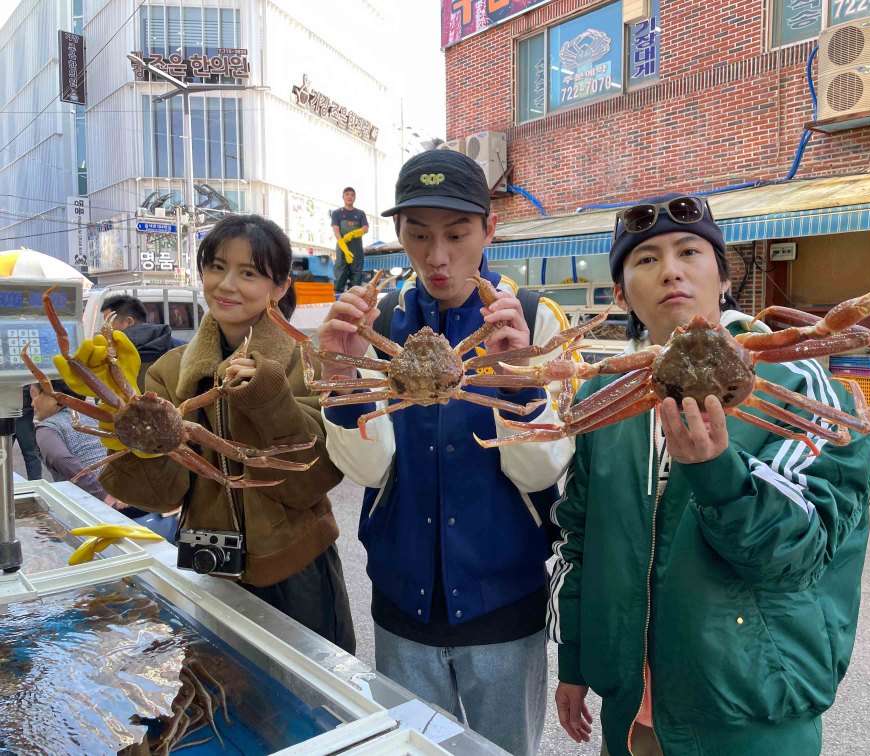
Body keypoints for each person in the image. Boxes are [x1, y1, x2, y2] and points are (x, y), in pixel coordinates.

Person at [550, 193, 870, 756]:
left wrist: (720, 475)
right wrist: (574, 660)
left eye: (689, 252)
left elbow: (802, 555)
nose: (670, 270)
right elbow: (578, 536)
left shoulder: (801, 383)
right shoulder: (603, 395)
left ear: (724, 278)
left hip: (752, 708)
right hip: (631, 709)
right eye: (646, 259)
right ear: (622, 292)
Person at [319, 150, 574, 756]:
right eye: (418, 234)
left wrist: (520, 384)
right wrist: (344, 379)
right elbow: (368, 470)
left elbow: (544, 470)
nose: (437, 257)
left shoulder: (536, 320)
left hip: (505, 601)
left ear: (489, 229)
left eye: (457, 235)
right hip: (401, 601)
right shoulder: (377, 322)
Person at [59, 214, 356, 653]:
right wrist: (122, 429)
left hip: (297, 569)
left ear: (279, 287)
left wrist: (270, 397)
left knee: (313, 689)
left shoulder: (308, 361)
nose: (227, 284)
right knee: (214, 686)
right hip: (206, 560)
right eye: (216, 267)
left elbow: (311, 480)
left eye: (249, 273)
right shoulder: (169, 370)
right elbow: (161, 495)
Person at [31, 380, 115, 503]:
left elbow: (60, 458)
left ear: (53, 396)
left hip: (93, 503)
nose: (32, 403)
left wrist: (102, 494)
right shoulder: (98, 413)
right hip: (127, 493)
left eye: (35, 395)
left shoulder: (47, 428)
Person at [100, 294, 181, 389]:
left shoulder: (114, 356)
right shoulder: (182, 347)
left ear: (129, 322)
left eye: (108, 322)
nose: (106, 330)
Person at [330, 186, 369, 292]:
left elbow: (365, 229)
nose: (349, 197)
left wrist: (352, 234)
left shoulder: (360, 214)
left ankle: (354, 299)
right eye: (347, 194)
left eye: (352, 195)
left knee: (356, 279)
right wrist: (344, 247)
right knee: (340, 276)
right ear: (343, 197)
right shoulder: (337, 213)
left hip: (357, 251)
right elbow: (336, 230)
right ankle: (337, 299)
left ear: (355, 197)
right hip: (342, 250)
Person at [15, 385, 42, 479]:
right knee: (31, 453)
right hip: (24, 403)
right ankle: (35, 483)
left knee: (2, 452)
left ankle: (35, 482)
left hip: (15, 403)